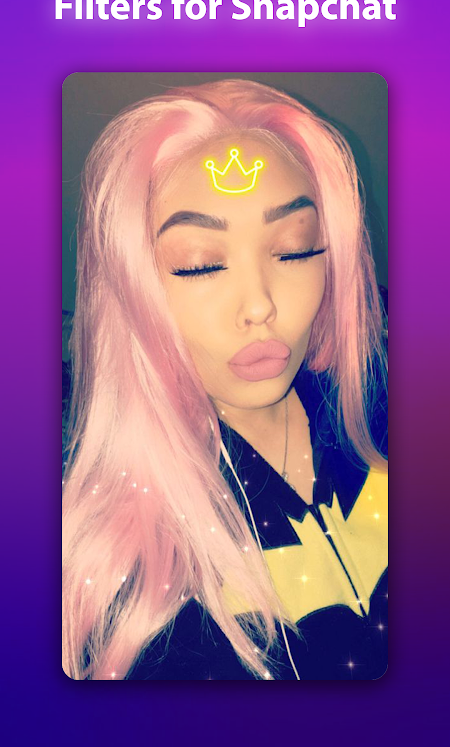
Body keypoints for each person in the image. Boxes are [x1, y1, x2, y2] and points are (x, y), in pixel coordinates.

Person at [62, 79, 388, 680]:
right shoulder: (115, 567)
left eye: (294, 250)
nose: (260, 305)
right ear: (131, 291)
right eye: (201, 264)